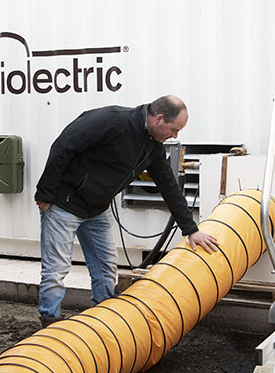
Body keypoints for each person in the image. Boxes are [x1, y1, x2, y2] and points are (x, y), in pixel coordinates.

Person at [34, 95, 219, 327]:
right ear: (159, 119)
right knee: (56, 269)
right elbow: (63, 146)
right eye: (174, 130)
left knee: (106, 266)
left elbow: (169, 186)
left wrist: (191, 230)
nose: (175, 136)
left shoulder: (152, 146)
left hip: (97, 209)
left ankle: (102, 317)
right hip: (64, 204)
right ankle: (50, 322)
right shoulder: (112, 121)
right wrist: (45, 193)